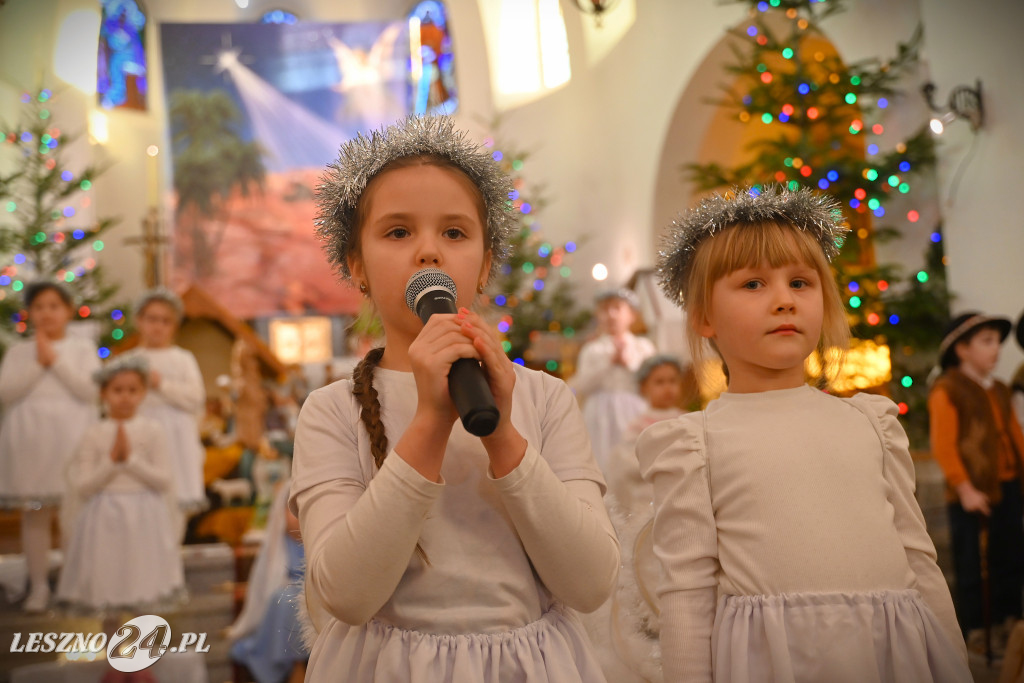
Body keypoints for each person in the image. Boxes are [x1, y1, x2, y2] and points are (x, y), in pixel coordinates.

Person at [289, 116, 619, 682]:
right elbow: (345, 593)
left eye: (455, 233)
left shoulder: (544, 398)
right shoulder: (330, 412)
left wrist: (502, 435)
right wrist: (431, 420)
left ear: (486, 263)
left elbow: (590, 583)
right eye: (397, 232)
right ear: (357, 267)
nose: (428, 252)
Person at [638, 186, 971, 682]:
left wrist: (956, 668)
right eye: (753, 285)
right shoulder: (695, 444)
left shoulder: (870, 423)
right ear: (705, 317)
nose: (783, 301)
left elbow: (919, 558)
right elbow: (685, 592)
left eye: (800, 282)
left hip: (891, 652)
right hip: (774, 662)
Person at [928, 312, 1024, 655]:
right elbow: (944, 445)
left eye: (997, 341)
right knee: (974, 566)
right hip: (972, 493)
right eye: (986, 341)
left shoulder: (998, 388)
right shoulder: (948, 390)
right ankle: (977, 631)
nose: (996, 348)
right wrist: (964, 487)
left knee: (1011, 556)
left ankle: (1010, 623)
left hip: (1008, 486)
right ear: (962, 349)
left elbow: (1014, 435)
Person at [55, 355, 184, 611]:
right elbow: (83, 485)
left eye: (133, 390)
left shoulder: (153, 430)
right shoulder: (94, 433)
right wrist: (111, 463)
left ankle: (144, 649)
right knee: (107, 585)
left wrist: (131, 460)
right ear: (104, 394)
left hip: (145, 515)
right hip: (104, 516)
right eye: (117, 390)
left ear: (144, 393)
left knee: (144, 583)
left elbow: (164, 479)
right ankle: (113, 646)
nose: (125, 397)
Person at [0, 281, 99, 612]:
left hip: (71, 441)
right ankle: (39, 586)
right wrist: (37, 364)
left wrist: (54, 361)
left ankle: (72, 585)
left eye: (54, 306)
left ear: (68, 311)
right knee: (36, 515)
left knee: (72, 515)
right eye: (39, 307)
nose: (47, 313)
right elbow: (6, 393)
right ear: (30, 313)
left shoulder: (83, 351)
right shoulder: (18, 352)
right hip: (31, 444)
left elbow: (91, 392)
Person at [122, 288, 208, 517]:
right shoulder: (129, 360)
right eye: (152, 319)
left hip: (177, 436)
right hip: (141, 436)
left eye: (165, 321)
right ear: (139, 321)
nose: (158, 326)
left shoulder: (183, 359)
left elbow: (195, 398)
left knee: (176, 508)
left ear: (174, 325)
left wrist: (161, 385)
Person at [228, 479, 309, 683]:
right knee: (286, 599)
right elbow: (268, 585)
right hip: (284, 606)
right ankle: (294, 669)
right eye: (293, 510)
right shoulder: (278, 546)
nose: (299, 517)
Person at [569, 288, 656, 471]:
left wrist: (628, 362)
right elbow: (583, 384)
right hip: (600, 411)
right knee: (602, 457)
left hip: (634, 409)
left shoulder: (643, 347)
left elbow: (651, 380)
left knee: (634, 456)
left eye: (617, 308)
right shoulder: (592, 349)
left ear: (632, 315)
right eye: (605, 309)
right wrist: (608, 362)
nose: (611, 314)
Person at [605, 354, 687, 516]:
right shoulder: (638, 426)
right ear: (644, 387)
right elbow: (630, 462)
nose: (668, 388)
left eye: (672, 381)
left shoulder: (687, 420)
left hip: (682, 492)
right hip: (649, 497)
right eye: (659, 382)